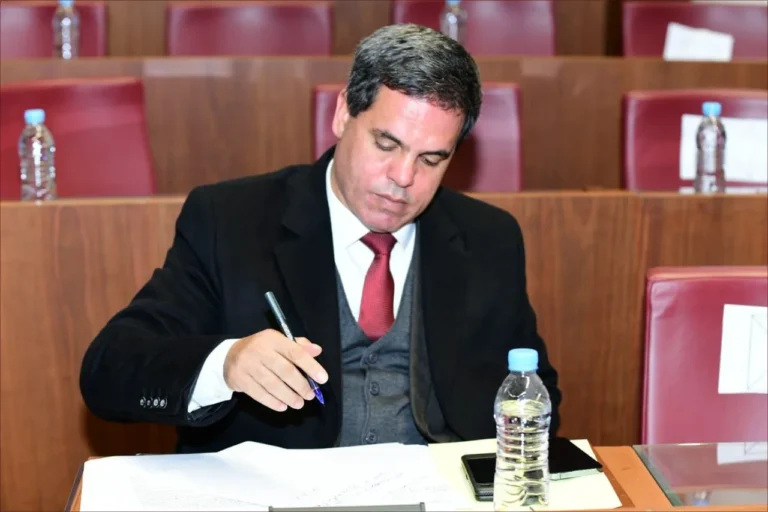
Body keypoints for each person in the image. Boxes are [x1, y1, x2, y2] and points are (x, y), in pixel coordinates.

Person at [80, 24, 561, 453]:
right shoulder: (230, 221)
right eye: (386, 144)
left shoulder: (489, 238)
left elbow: (537, 391)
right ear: (343, 114)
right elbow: (110, 371)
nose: (403, 177)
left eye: (431, 159)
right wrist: (225, 364)